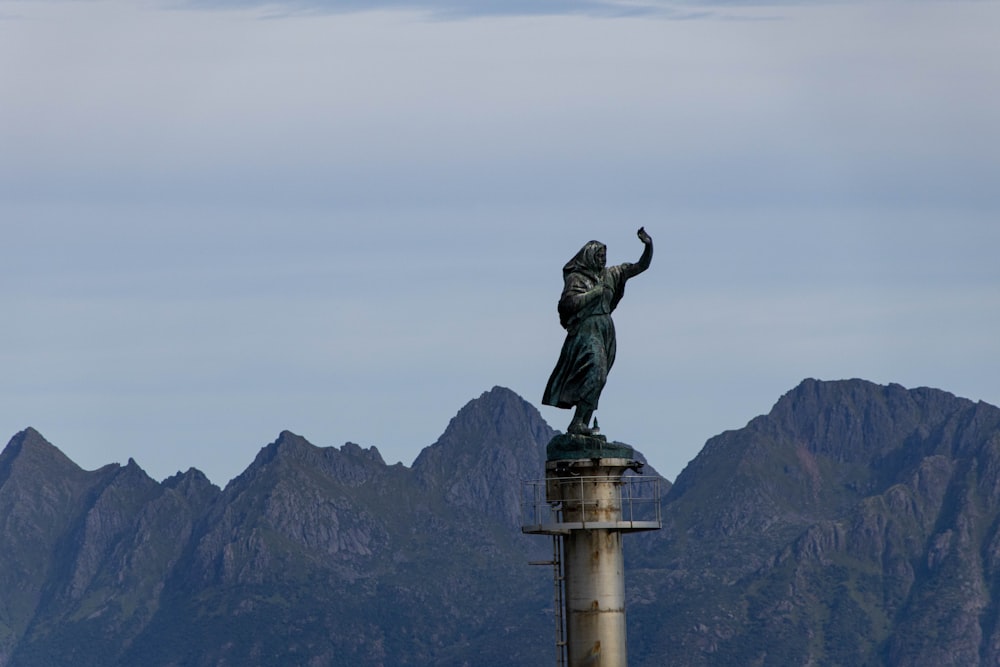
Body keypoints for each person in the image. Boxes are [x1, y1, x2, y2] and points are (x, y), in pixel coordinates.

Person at [542, 227, 653, 435]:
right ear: (590, 256)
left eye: (605, 256)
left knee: (600, 379)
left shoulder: (612, 274)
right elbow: (567, 304)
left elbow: (641, 266)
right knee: (597, 373)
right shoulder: (577, 279)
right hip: (586, 331)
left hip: (606, 331)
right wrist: (595, 293)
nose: (603, 260)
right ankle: (577, 422)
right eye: (600, 256)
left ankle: (582, 422)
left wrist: (648, 245)